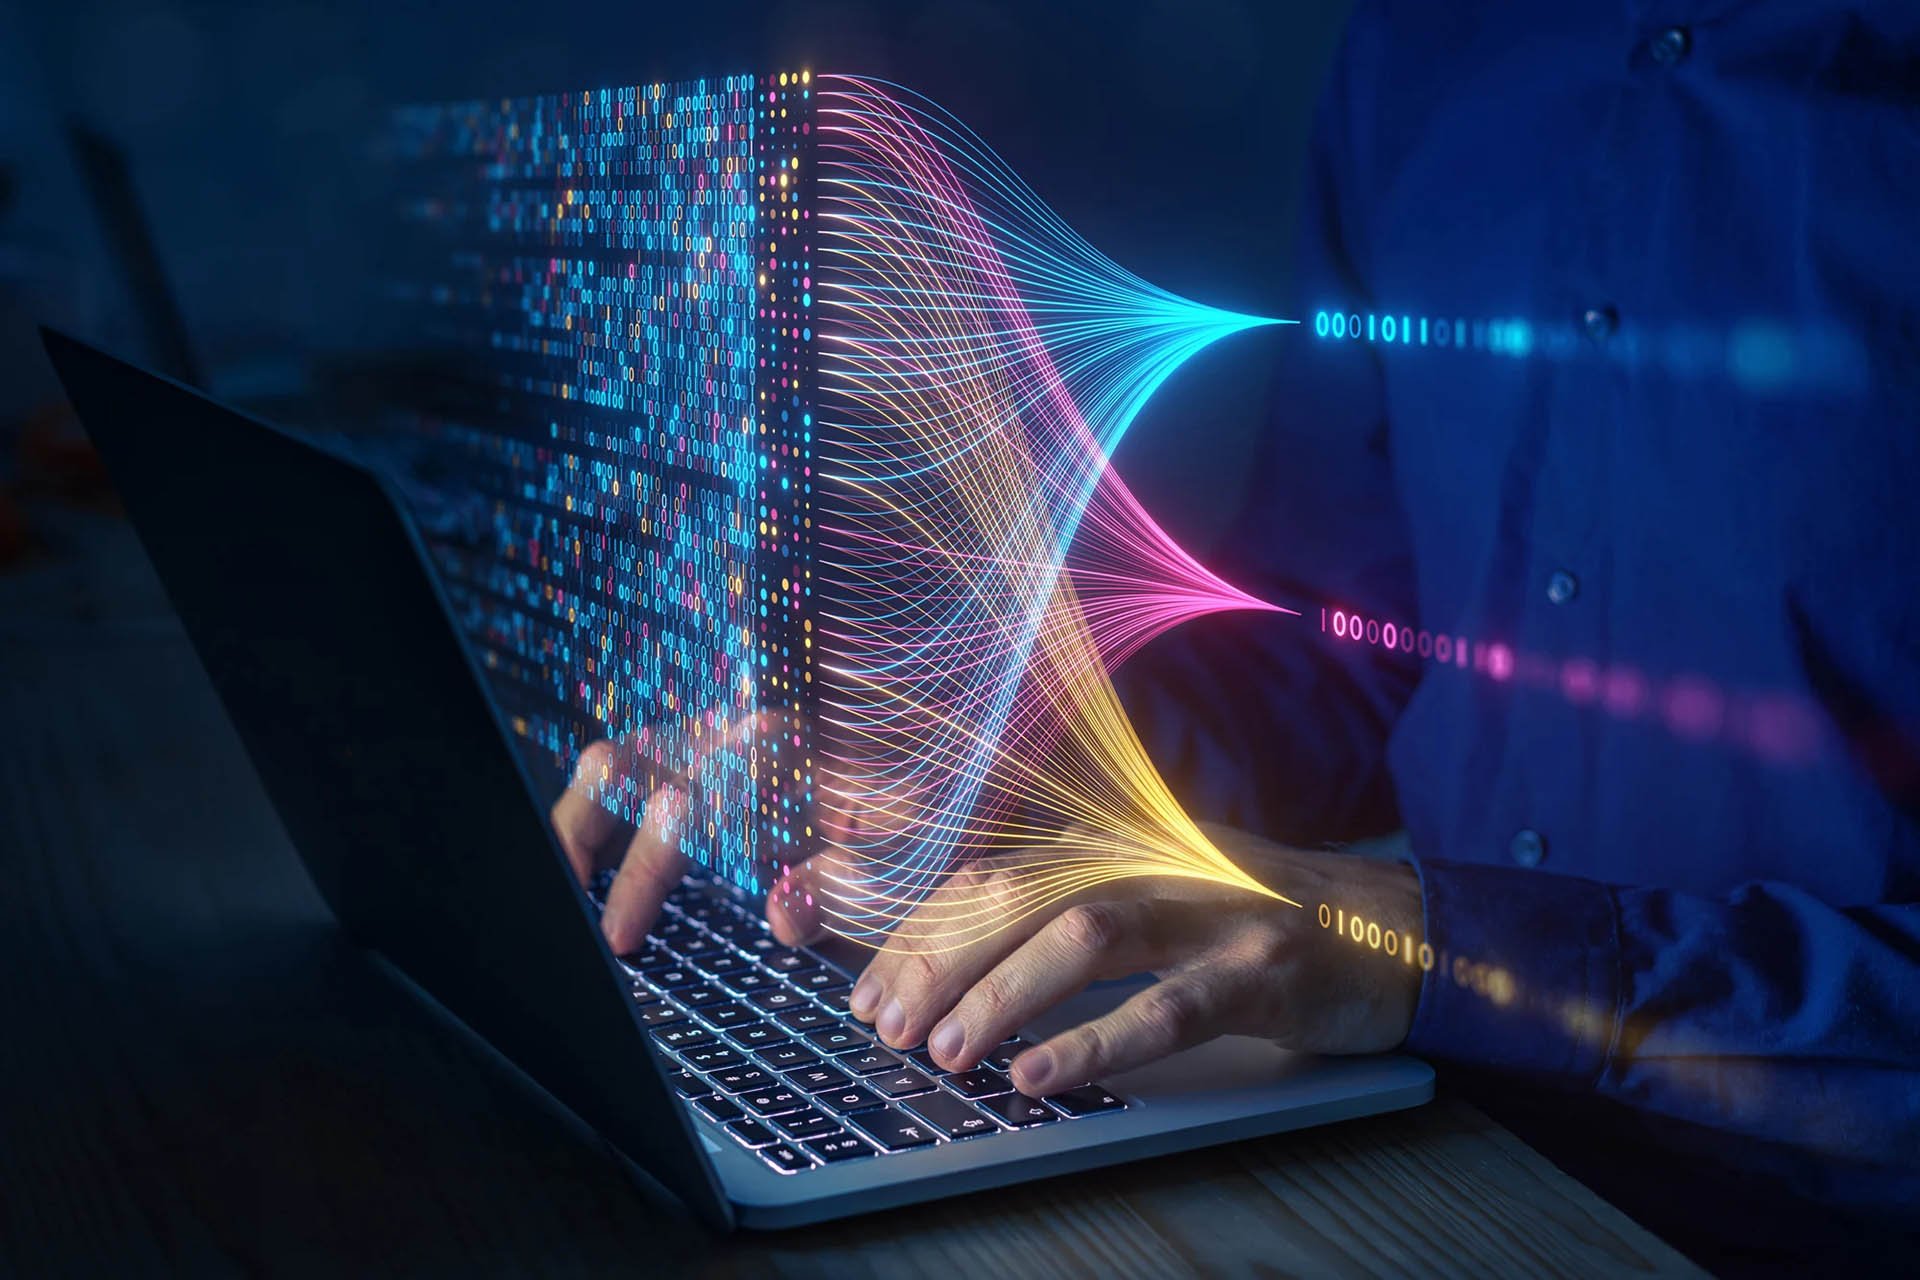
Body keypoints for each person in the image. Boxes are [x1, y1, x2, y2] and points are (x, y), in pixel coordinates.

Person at [553, 1, 1917, 1265]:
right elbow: (1345, 646)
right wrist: (975, 775)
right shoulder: (1435, 40)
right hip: (1421, 1137)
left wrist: (1434, 944)